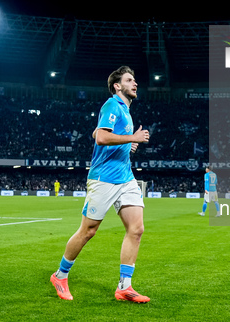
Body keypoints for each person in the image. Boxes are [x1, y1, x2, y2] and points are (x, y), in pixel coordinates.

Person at [50, 66, 151, 303]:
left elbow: (108, 137)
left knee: (136, 229)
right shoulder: (112, 105)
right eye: (129, 80)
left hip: (125, 179)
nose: (135, 83)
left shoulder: (126, 110)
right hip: (103, 179)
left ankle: (124, 287)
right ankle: (60, 276)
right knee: (89, 231)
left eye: (135, 80)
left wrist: (129, 146)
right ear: (117, 86)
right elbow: (101, 137)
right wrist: (133, 138)